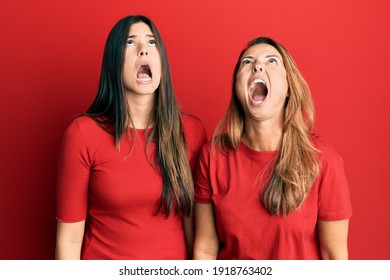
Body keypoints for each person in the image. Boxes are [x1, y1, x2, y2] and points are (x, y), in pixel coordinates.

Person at [55, 15, 207, 260]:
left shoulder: (191, 131)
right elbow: (69, 239)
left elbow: (195, 231)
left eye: (151, 43)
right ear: (114, 62)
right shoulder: (82, 134)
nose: (143, 51)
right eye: (130, 43)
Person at [193, 37, 352, 260]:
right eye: (247, 62)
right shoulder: (212, 157)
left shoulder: (324, 160)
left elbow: (334, 256)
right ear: (237, 88)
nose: (257, 66)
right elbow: (206, 248)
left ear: (288, 88)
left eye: (271, 61)